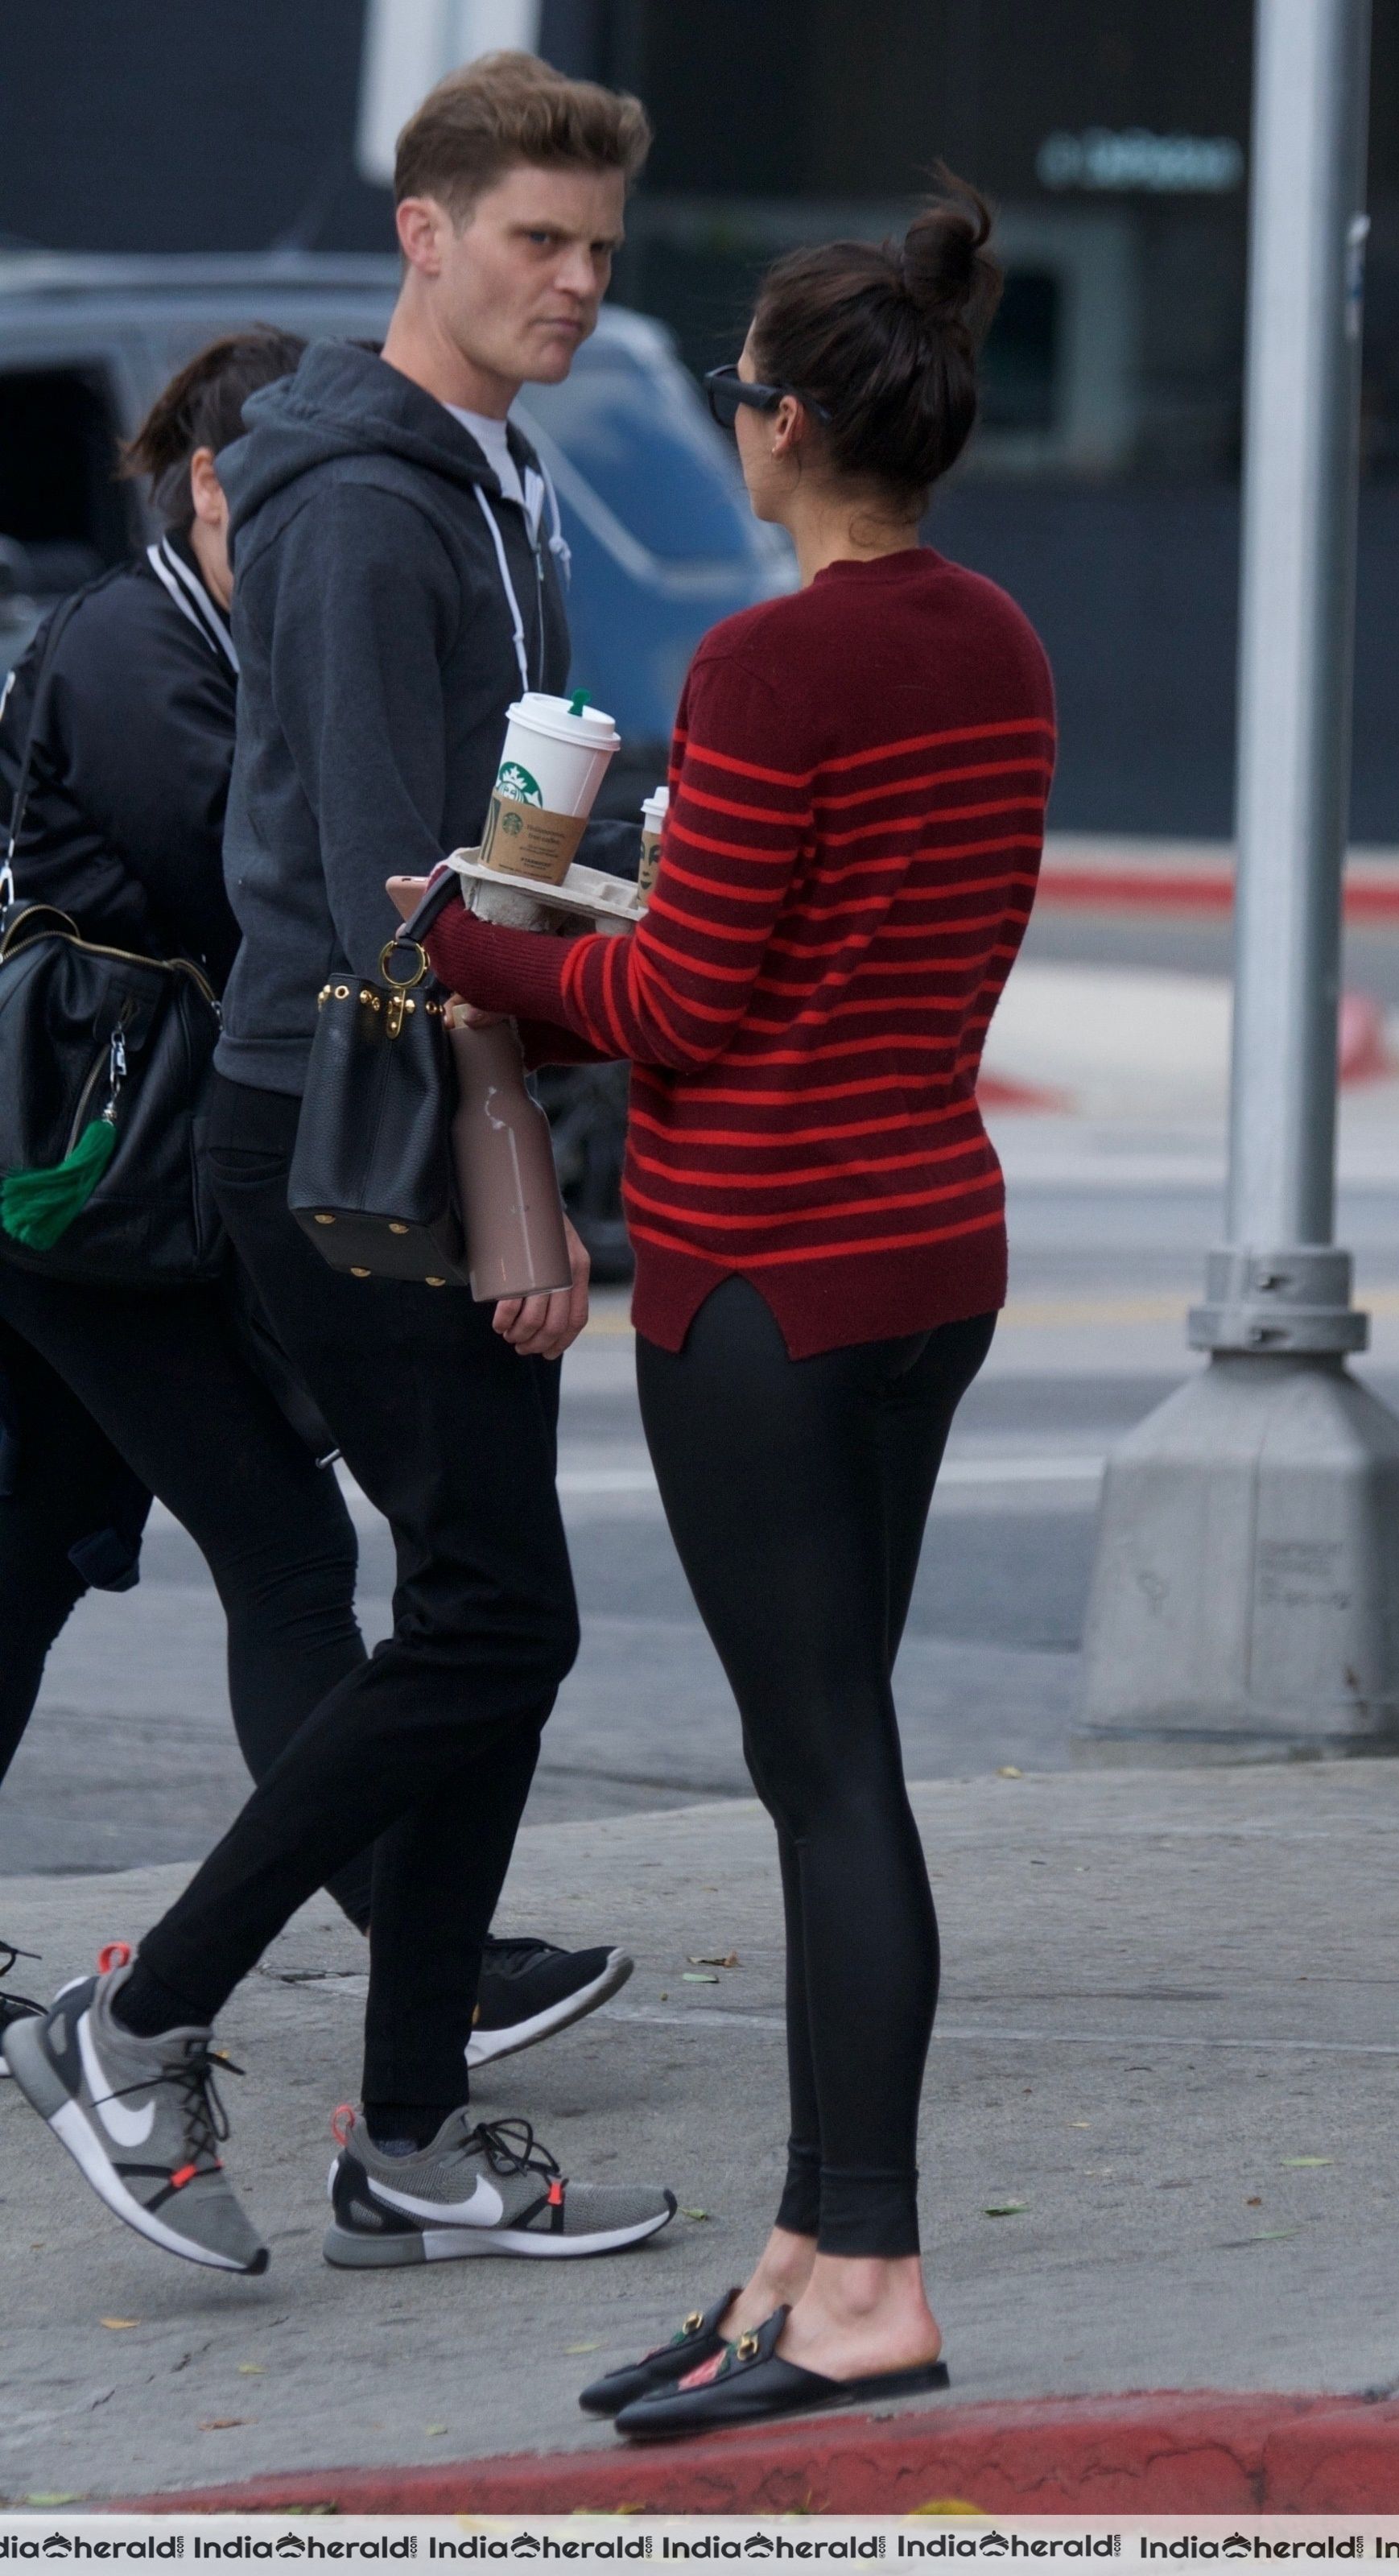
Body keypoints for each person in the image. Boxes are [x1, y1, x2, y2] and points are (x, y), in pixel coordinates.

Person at [2, 57, 674, 2275]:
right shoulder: (373, 503)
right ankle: (141, 2017)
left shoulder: (480, 475)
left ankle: (409, 2138)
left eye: (599, 250)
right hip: (357, 1116)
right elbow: (415, 897)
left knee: (484, 1614)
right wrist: (521, 1178)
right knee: (493, 1617)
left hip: (391, 1096)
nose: (575, 284)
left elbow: (487, 845)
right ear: (425, 234)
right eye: (537, 242)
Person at [422, 175, 1055, 2433]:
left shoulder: (770, 666)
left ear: (785, 427)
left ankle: (870, 2278)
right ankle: (803, 2253)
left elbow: (679, 1007)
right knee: (833, 1754)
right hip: (931, 1250)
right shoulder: (998, 641)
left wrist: (476, 937)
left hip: (771, 1269)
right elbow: (845, 945)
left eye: (736, 391)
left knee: (827, 1771)